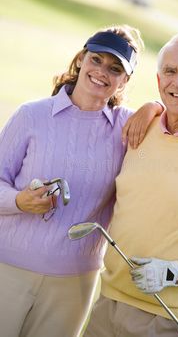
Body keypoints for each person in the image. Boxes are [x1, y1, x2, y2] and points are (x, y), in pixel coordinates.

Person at [0, 25, 163, 337]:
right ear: (81, 59)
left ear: (125, 81)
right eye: (96, 59)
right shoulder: (31, 115)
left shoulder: (127, 128)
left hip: (73, 284)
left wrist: (154, 107)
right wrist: (19, 200)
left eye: (115, 69)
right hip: (7, 269)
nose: (102, 72)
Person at [84, 33, 178, 337]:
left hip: (173, 320)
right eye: (170, 71)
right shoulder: (141, 128)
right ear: (158, 80)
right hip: (108, 304)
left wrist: (175, 272)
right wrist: (152, 107)